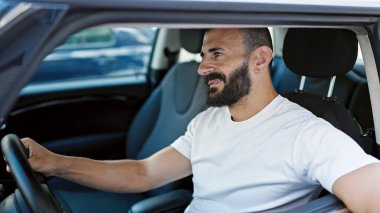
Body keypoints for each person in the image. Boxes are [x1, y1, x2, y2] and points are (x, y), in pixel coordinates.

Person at [10, 28, 380, 212]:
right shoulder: (209, 121)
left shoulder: (306, 132)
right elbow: (143, 174)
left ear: (260, 58)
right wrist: (55, 163)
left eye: (217, 54)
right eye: (204, 54)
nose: (203, 67)